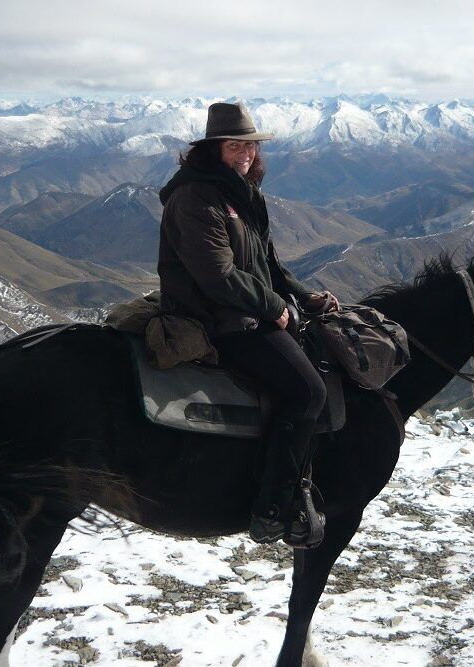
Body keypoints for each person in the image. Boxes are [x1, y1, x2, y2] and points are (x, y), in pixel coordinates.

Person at [157, 101, 340, 547]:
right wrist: (275, 307)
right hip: (218, 316)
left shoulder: (241, 193)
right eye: (234, 145)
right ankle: (271, 507)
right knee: (307, 391)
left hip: (247, 306)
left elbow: (266, 264)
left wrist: (301, 295)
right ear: (212, 149)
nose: (244, 154)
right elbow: (217, 276)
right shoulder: (195, 197)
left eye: (249, 146)